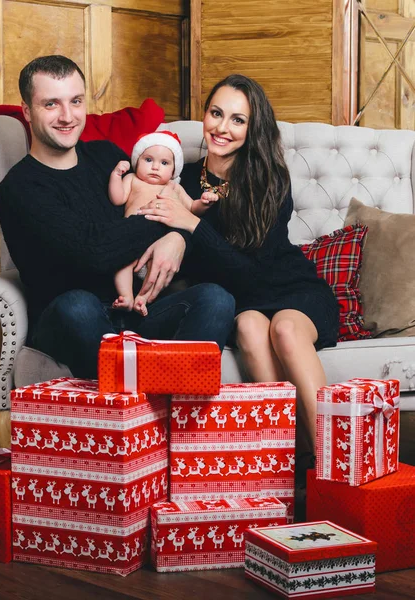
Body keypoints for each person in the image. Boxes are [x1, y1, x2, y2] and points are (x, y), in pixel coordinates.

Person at [137, 74, 339, 466]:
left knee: (283, 328)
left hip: (289, 289)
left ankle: (332, 463)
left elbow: (251, 272)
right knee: (248, 326)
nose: (222, 128)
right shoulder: (179, 177)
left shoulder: (269, 180)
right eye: (216, 113)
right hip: (242, 303)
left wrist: (190, 225)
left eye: (237, 119)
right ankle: (288, 462)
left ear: (252, 129)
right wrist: (174, 233)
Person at [0, 55, 236, 381]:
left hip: (139, 311)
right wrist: (169, 220)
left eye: (76, 101)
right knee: (76, 304)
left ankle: (174, 404)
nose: (67, 116)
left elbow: (180, 212)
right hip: (72, 322)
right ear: (27, 112)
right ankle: (154, 393)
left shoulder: (107, 156)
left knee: (216, 297)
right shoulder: (20, 188)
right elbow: (93, 252)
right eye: (51, 104)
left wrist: (179, 238)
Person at [108, 130, 218, 315]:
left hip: (160, 243)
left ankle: (142, 299)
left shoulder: (174, 187)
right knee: (122, 262)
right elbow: (117, 199)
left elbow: (192, 208)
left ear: (174, 170)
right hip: (131, 238)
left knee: (158, 270)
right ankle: (126, 296)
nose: (155, 167)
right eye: (148, 160)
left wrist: (204, 203)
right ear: (137, 161)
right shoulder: (132, 179)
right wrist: (116, 176)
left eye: (164, 163)